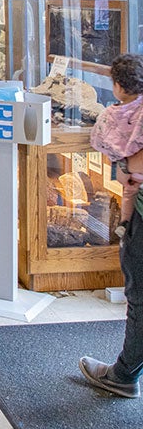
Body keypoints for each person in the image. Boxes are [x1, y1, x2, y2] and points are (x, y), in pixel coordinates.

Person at [80, 55, 143, 398]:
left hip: (139, 210)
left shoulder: (116, 115)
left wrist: (130, 173)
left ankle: (123, 375)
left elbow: (128, 162)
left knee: (139, 296)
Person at [89, 54, 143, 229]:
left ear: (118, 86)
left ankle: (124, 226)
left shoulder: (112, 114)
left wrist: (124, 164)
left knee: (128, 195)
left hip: (128, 173)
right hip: (135, 174)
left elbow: (98, 139)